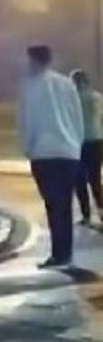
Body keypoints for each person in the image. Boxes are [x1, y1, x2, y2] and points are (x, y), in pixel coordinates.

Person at [18, 45, 84, 268]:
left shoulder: (31, 86)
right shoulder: (67, 84)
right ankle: (66, 253)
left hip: (44, 153)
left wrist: (27, 147)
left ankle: (58, 254)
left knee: (53, 205)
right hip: (69, 151)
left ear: (33, 60)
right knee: (65, 205)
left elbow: (28, 120)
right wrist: (77, 143)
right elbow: (77, 116)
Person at [71, 69, 103, 225]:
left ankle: (86, 215)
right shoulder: (98, 97)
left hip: (79, 142)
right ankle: (101, 210)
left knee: (79, 180)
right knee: (95, 178)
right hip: (97, 141)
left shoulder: (72, 100)